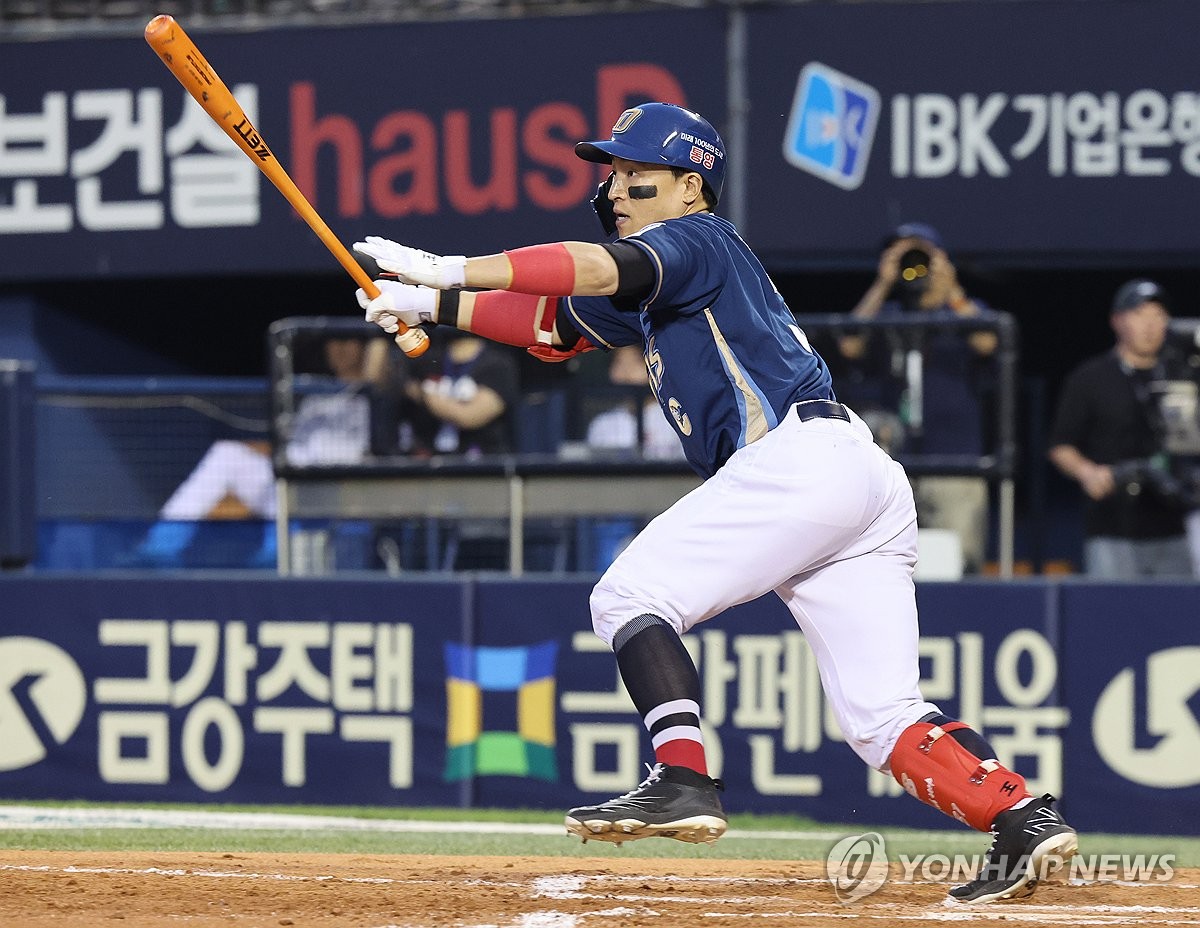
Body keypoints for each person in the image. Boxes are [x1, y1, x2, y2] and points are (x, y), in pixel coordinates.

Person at [352, 102, 1077, 903]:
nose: (617, 189)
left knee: (629, 595)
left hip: (799, 463)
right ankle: (1021, 817)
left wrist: (449, 268)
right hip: (853, 479)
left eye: (638, 176)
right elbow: (552, 327)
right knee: (881, 715)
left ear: (691, 186)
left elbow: (592, 269)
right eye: (614, 175)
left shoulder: (697, 239)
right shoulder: (664, 276)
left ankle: (683, 776)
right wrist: (425, 306)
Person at [838, 223, 998, 573]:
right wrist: (883, 282)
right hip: (893, 460)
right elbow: (849, 344)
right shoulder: (889, 315)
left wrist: (951, 290)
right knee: (882, 561)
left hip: (955, 462)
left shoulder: (962, 310)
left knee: (963, 561)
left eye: (921, 254)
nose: (913, 263)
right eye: (901, 254)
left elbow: (988, 341)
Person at [133, 335, 374, 567]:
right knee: (226, 453)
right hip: (288, 482)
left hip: (334, 491)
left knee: (295, 476)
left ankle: (276, 554)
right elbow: (292, 448)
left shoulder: (377, 397)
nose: (340, 350)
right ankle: (158, 549)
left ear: (364, 348)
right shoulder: (318, 396)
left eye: (348, 342)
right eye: (334, 343)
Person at [1048, 279, 1192, 578]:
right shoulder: (1090, 378)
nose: (1150, 325)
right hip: (1112, 523)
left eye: (1158, 316)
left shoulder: (1184, 375)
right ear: (1117, 321)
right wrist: (1088, 472)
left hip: (1174, 523)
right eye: (1140, 315)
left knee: (1180, 617)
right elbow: (1060, 445)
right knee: (1112, 616)